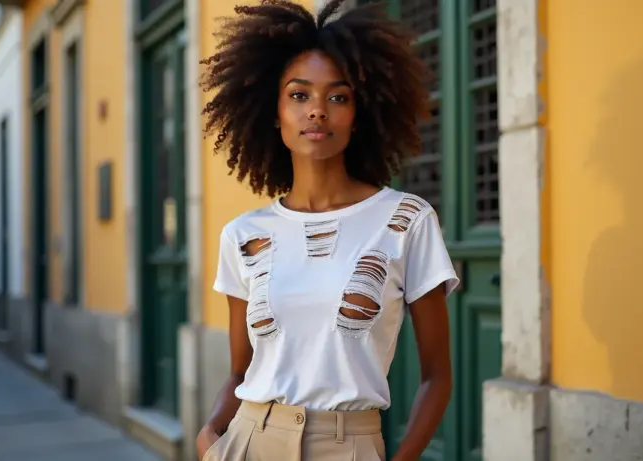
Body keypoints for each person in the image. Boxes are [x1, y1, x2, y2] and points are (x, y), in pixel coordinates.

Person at [196, 1, 459, 460]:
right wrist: (210, 437)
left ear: (358, 114)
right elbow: (240, 371)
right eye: (299, 95)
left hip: (348, 445)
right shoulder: (243, 235)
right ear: (274, 111)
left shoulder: (406, 220)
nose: (317, 111)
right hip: (248, 441)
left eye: (338, 98)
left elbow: (437, 376)